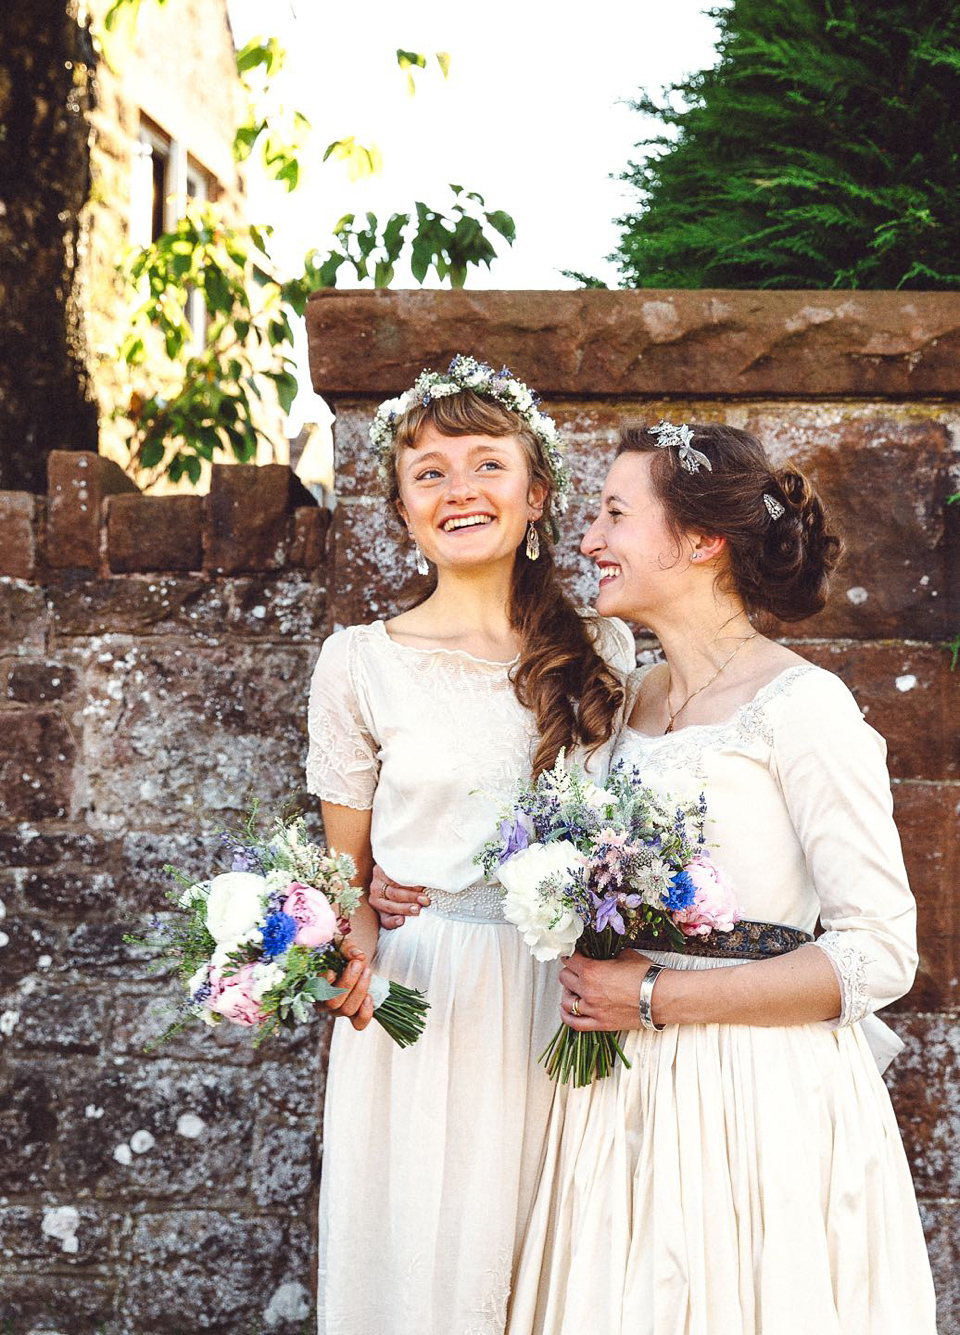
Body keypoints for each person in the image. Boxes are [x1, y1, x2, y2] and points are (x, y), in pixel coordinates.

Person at [507, 421, 937, 1335]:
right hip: (619, 1101)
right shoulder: (623, 705)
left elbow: (877, 954)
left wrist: (655, 995)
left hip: (756, 1097)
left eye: (615, 514)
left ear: (703, 543)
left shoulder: (804, 707)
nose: (589, 540)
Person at [305, 355, 637, 1335]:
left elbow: (629, 824)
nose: (460, 490)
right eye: (430, 472)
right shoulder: (361, 663)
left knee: (555, 1259)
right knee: (422, 1260)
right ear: (402, 510)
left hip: (566, 990)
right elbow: (345, 877)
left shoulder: (605, 656)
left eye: (487, 464)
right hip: (425, 992)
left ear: (536, 496)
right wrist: (353, 928)